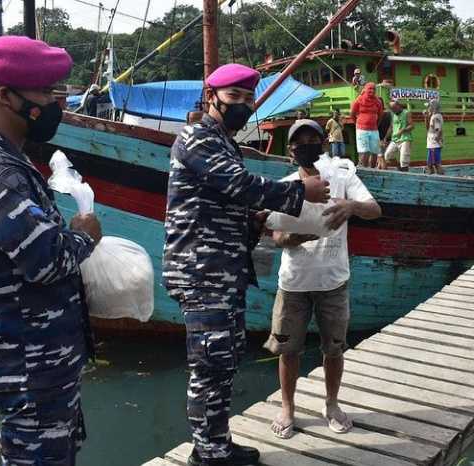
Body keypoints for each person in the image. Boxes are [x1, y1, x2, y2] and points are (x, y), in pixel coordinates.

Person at [162, 63, 330, 466]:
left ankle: (218, 442)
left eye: (247, 99)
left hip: (222, 267)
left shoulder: (222, 141)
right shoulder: (198, 137)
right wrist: (298, 191)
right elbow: (238, 185)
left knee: (224, 357)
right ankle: (208, 452)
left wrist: (252, 220)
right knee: (209, 362)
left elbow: (224, 199)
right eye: (234, 97)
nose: (242, 105)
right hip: (201, 270)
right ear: (211, 96)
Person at [0, 36, 102, 465]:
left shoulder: (10, 162)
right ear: (6, 96)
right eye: (47, 93)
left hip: (41, 361)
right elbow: (48, 260)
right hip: (27, 365)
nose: (57, 103)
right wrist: (86, 233)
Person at [265, 119, 381, 440]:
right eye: (300, 142)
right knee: (289, 350)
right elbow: (275, 234)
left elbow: (375, 209)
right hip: (293, 283)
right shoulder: (287, 184)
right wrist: (290, 238)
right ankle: (287, 406)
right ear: (291, 151)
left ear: (323, 144)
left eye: (312, 139)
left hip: (334, 281)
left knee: (334, 349)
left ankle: (331, 404)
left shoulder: (343, 177)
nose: (307, 146)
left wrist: (351, 207)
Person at [350, 82, 383, 168]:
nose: (372, 90)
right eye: (370, 88)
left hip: (374, 129)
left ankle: (373, 169)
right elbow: (352, 114)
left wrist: (375, 125)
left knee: (375, 151)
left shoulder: (378, 101)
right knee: (365, 151)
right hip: (361, 129)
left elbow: (380, 115)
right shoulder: (359, 100)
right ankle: (366, 169)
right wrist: (357, 123)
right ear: (365, 89)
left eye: (373, 89)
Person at [384, 99, 414, 172]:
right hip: (395, 139)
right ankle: (399, 167)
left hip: (405, 139)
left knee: (404, 161)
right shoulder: (393, 115)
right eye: (391, 109)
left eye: (394, 108)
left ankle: (405, 173)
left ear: (398, 105)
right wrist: (385, 138)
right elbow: (391, 127)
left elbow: (412, 125)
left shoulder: (406, 113)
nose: (393, 110)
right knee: (387, 155)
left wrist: (403, 130)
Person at [425, 99, 444, 175]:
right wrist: (426, 117)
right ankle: (436, 177)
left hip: (434, 144)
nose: (428, 108)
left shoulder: (436, 117)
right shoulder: (434, 116)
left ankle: (441, 179)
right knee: (431, 164)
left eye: (429, 106)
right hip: (432, 143)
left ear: (433, 107)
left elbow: (438, 130)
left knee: (435, 164)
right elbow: (428, 128)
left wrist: (437, 141)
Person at [376, 96, 391, 169]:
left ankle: (385, 173)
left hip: (380, 139)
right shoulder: (389, 113)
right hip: (387, 139)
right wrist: (386, 138)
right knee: (380, 158)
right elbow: (391, 127)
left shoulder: (378, 114)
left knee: (381, 157)